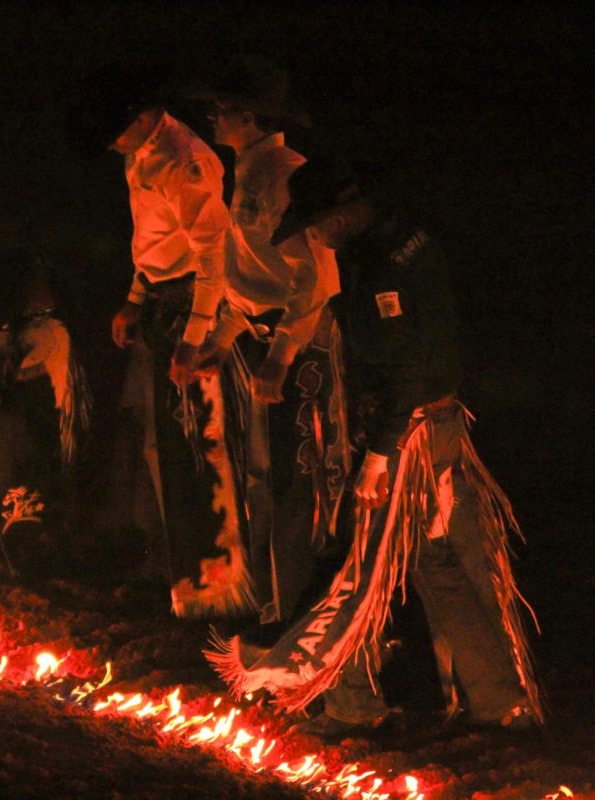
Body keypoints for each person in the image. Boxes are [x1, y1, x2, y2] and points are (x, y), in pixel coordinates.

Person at [207, 159, 542, 736]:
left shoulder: (384, 269)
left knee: (361, 564)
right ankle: (499, 700)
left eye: (315, 225)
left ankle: (346, 699)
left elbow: (408, 368)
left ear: (337, 219)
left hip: (409, 437)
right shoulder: (410, 242)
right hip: (437, 426)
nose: (314, 237)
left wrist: (381, 456)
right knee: (434, 564)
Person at [187, 59, 349, 630]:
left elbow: (314, 278)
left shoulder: (284, 172)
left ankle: (312, 615)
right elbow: (249, 270)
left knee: (299, 481)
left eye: (220, 108)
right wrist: (227, 334)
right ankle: (276, 603)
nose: (211, 116)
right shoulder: (250, 170)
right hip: (264, 341)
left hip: (299, 348)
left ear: (247, 116)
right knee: (261, 476)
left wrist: (281, 357)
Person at [86, 67, 249, 619]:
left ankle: (219, 586)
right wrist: (135, 296)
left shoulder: (184, 161)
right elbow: (152, 238)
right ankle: (174, 568)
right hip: (162, 299)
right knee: (160, 439)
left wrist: (195, 334)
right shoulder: (142, 154)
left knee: (197, 444)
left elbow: (212, 254)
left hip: (189, 305)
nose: (111, 145)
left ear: (140, 119)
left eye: (115, 132)